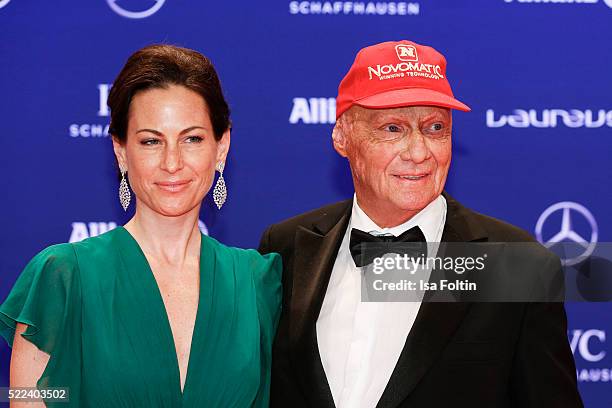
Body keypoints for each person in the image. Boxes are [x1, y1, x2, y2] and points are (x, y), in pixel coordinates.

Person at [258, 40, 583, 407]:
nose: (418, 152)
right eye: (393, 128)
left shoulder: (518, 264)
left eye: (434, 128)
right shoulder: (285, 246)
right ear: (342, 136)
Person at [0, 44, 282, 407]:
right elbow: (28, 399)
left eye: (191, 139)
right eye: (151, 141)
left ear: (221, 146)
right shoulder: (64, 279)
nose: (172, 163)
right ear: (121, 151)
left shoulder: (257, 282)